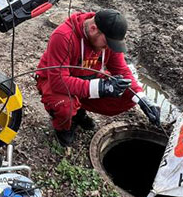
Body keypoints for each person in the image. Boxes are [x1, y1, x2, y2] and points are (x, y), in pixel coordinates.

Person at [36, 9, 161, 147]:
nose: (108, 47)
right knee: (65, 106)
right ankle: (63, 126)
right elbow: (58, 82)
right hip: (54, 81)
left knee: (129, 95)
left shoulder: (108, 37)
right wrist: (101, 87)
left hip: (87, 79)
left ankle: (79, 112)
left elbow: (122, 70)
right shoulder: (63, 36)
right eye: (107, 43)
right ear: (93, 28)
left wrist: (142, 98)